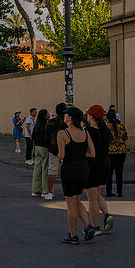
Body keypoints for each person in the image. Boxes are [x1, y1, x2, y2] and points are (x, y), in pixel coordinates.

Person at [56, 106, 95, 244]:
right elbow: (92, 153)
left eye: (66, 115)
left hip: (69, 169)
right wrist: (79, 153)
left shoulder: (62, 133)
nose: (64, 116)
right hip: (83, 169)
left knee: (71, 204)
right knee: (77, 201)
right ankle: (88, 226)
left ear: (70, 118)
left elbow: (61, 155)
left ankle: (73, 236)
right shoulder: (85, 133)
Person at [84, 105, 113, 234]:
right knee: (96, 193)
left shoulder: (88, 131)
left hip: (92, 164)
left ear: (92, 117)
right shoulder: (106, 130)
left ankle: (95, 227)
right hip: (105, 163)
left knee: (91, 198)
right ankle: (107, 215)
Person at [103, 108, 128, 198]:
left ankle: (109, 191)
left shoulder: (106, 128)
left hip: (110, 151)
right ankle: (119, 192)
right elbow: (125, 137)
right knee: (119, 172)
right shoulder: (121, 127)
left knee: (109, 173)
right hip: (121, 151)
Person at [44, 103, 67, 200]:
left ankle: (49, 192)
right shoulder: (67, 122)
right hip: (66, 149)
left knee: (52, 171)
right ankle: (68, 191)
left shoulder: (51, 122)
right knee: (66, 171)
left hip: (53, 148)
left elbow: (46, 136)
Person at [30, 109, 50, 198]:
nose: (49, 115)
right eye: (48, 114)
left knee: (37, 168)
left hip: (37, 147)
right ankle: (44, 190)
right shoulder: (46, 126)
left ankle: (35, 189)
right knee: (44, 168)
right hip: (44, 147)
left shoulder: (36, 126)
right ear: (45, 116)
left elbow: (33, 137)